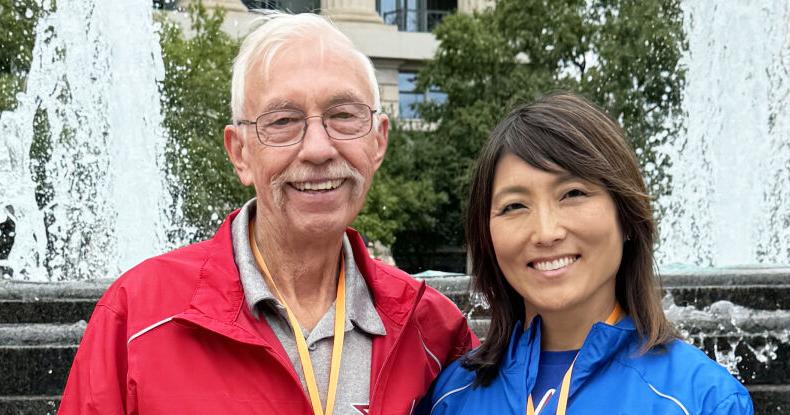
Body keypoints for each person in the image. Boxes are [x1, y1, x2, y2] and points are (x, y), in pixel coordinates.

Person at [59, 13, 476, 415]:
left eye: (344, 116)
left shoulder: (435, 332)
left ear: (379, 141)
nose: (317, 148)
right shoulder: (138, 317)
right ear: (239, 153)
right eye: (282, 121)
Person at [417, 93, 753, 414]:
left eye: (573, 193)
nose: (547, 232)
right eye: (514, 206)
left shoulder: (704, 400)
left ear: (626, 217)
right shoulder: (451, 397)